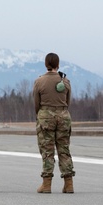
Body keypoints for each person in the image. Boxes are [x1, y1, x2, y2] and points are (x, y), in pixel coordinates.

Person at [33, 53, 75, 193]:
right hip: (63, 116)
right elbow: (68, 102)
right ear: (58, 64)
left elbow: (36, 103)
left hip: (46, 117)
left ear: (46, 64)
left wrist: (42, 115)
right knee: (64, 150)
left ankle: (46, 184)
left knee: (47, 151)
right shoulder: (65, 81)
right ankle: (68, 184)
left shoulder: (39, 81)